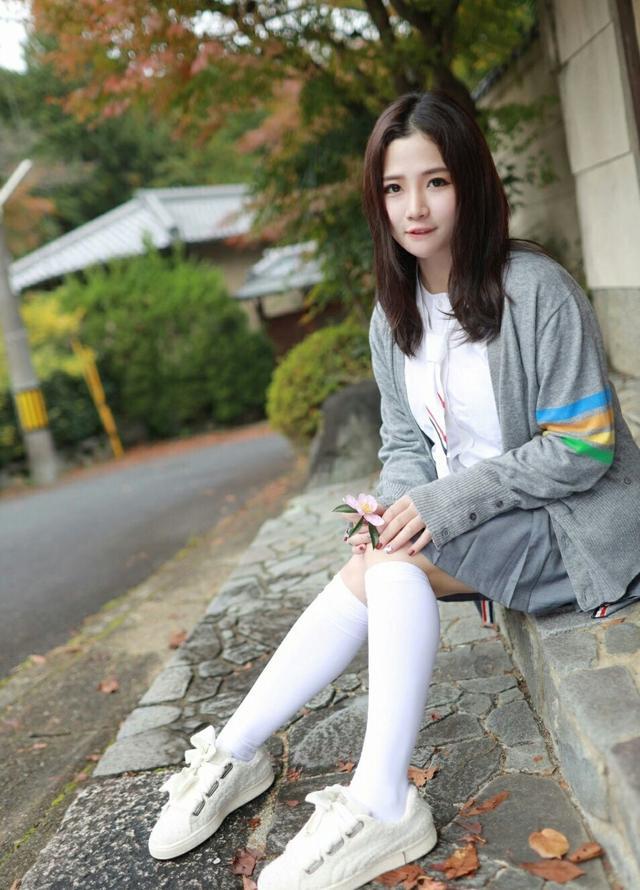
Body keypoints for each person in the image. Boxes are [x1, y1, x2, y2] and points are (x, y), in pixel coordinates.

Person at [147, 91, 640, 889]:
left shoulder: (536, 290)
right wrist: (389, 505)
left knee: (392, 561)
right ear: (376, 199)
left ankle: (375, 800)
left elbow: (582, 448)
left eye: (435, 182)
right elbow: (406, 444)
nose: (415, 207)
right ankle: (236, 754)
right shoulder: (395, 313)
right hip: (493, 520)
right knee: (381, 552)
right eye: (394, 187)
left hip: (576, 520)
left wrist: (435, 506)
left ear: (470, 183)